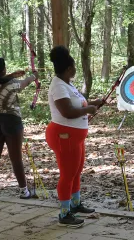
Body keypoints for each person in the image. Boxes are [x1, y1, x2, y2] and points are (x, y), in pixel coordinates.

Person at [46, 46, 101, 228]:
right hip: (64, 136)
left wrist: (93, 103)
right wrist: (88, 109)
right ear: (69, 68)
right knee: (67, 174)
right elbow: (67, 112)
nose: (75, 70)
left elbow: (78, 104)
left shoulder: (67, 84)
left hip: (75, 136)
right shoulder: (58, 85)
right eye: (74, 67)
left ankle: (75, 204)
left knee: (76, 171)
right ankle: (64, 214)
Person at [0, 57, 38, 202]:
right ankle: (23, 191)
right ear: (3, 70)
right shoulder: (12, 85)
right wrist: (34, 76)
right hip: (11, 122)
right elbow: (24, 83)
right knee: (16, 158)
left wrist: (12, 75)